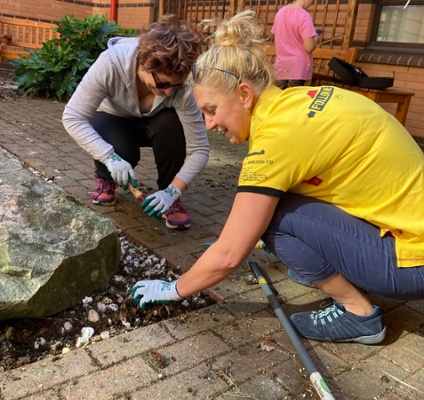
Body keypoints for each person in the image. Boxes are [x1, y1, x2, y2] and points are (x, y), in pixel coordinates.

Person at [131, 10, 424, 344]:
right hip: (409, 230)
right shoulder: (298, 100)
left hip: (412, 262)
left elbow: (229, 255)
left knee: (273, 220)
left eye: (211, 110)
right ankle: (320, 267)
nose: (209, 124)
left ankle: (358, 313)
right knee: (273, 207)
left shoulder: (277, 141)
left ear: (244, 95)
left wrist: (173, 289)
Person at [62, 15, 210, 230]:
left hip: (155, 122)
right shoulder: (112, 62)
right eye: (162, 83)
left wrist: (175, 190)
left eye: (175, 86)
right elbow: (73, 116)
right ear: (144, 62)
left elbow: (200, 149)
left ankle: (167, 195)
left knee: (173, 125)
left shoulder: (182, 84)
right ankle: (106, 177)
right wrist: (110, 157)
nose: (169, 91)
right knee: (124, 153)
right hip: (111, 118)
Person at [271, 0, 319, 90]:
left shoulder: (280, 13)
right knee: (293, 99)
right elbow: (309, 47)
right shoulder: (304, 16)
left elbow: (277, 38)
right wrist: (316, 38)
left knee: (280, 99)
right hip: (297, 68)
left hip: (281, 66)